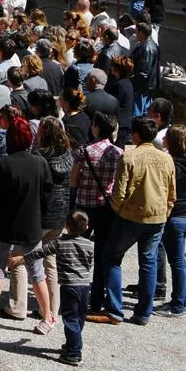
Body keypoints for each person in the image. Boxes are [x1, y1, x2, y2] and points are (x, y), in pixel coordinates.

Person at [92, 117, 175, 326]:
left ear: (136, 135)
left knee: (110, 257)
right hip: (157, 217)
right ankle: (143, 313)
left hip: (131, 216)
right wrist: (165, 212)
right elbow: (172, 192)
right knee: (148, 262)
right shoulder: (166, 159)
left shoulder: (130, 158)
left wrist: (119, 210)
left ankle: (113, 309)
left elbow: (119, 193)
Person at [0, 117, 54, 334]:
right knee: (36, 272)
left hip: (3, 224)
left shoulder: (1, 164)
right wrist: (41, 217)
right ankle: (47, 318)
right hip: (31, 224)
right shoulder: (40, 163)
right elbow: (48, 195)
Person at [6, 118, 72, 322]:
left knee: (19, 257)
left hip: (39, 214)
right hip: (60, 215)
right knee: (50, 261)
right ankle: (50, 309)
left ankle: (17, 306)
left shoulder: (39, 158)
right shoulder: (68, 156)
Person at [9, 211, 94, 366]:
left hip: (69, 286)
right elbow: (89, 263)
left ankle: (74, 353)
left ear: (66, 226)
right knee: (79, 316)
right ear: (87, 227)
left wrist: (23, 258)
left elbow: (41, 252)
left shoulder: (60, 243)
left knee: (70, 319)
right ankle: (72, 344)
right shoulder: (89, 244)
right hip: (84, 285)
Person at [71, 112, 122, 316]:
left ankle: (76, 293)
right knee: (102, 254)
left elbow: (73, 180)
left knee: (77, 251)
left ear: (96, 128)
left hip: (84, 205)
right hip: (105, 207)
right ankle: (96, 300)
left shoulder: (84, 152)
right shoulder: (119, 153)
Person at [156, 124, 186, 317]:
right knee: (180, 261)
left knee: (176, 262)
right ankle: (181, 299)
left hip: (175, 216)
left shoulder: (172, 164)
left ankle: (178, 304)